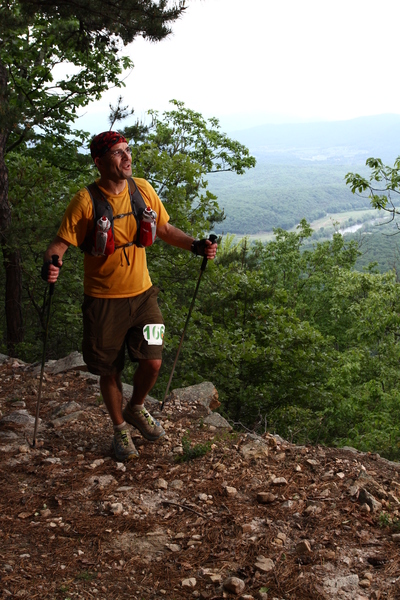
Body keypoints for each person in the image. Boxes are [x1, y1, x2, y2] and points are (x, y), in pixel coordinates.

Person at [42, 131, 217, 462]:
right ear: (99, 162)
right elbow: (59, 244)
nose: (127, 157)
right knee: (109, 369)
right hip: (103, 301)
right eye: (117, 153)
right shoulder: (85, 201)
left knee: (153, 361)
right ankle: (120, 429)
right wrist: (52, 263)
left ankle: (136, 407)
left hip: (143, 296)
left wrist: (196, 245)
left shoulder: (143, 189)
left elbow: (164, 229)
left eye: (128, 150)